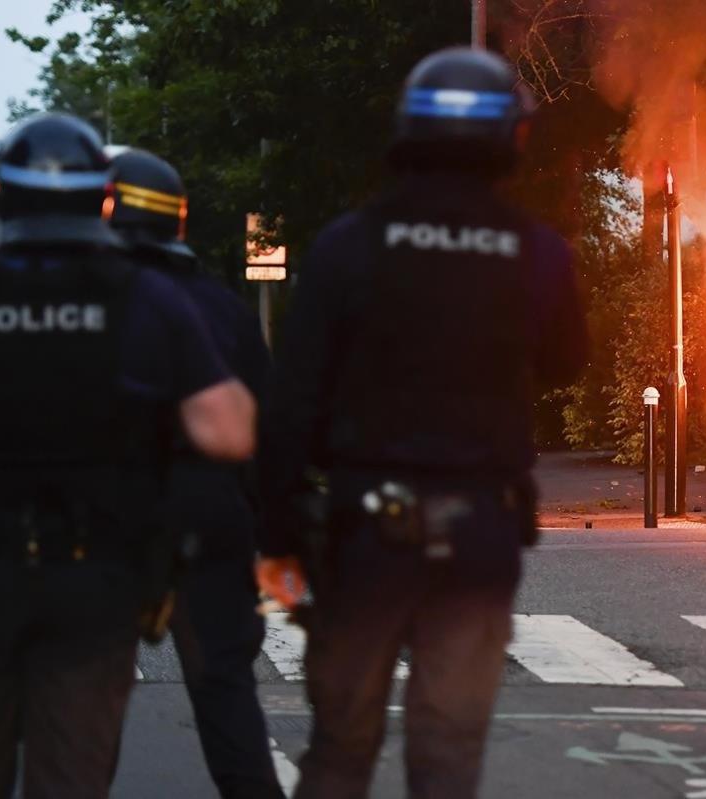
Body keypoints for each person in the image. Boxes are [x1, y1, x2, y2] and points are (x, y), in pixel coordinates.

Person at [0, 112, 256, 799]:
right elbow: (229, 431)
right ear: (103, 200)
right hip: (97, 582)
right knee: (72, 778)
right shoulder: (149, 301)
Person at [256, 47, 588, 798]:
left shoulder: (349, 244)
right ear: (512, 137)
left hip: (363, 534)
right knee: (446, 756)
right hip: (478, 535)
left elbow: (290, 404)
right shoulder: (536, 251)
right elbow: (569, 361)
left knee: (340, 749)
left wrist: (277, 532)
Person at [107, 147, 283, 799]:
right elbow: (266, 437)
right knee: (226, 700)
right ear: (176, 222)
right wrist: (269, 535)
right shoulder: (223, 308)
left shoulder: (80, 305)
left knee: (83, 714)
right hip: (209, 522)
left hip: (106, 528)